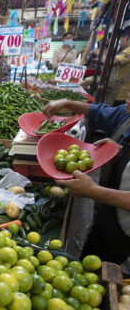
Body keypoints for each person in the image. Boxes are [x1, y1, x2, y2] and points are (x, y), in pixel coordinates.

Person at [42, 97, 130, 266]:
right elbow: (96, 111)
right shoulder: (126, 114)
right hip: (109, 211)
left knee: (107, 273)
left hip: (125, 237)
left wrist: (93, 191)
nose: (128, 96)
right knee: (91, 255)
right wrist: (66, 102)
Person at [111, 26, 130, 106]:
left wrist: (100, 53)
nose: (119, 42)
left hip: (121, 94)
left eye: (120, 39)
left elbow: (113, 62)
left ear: (126, 38)